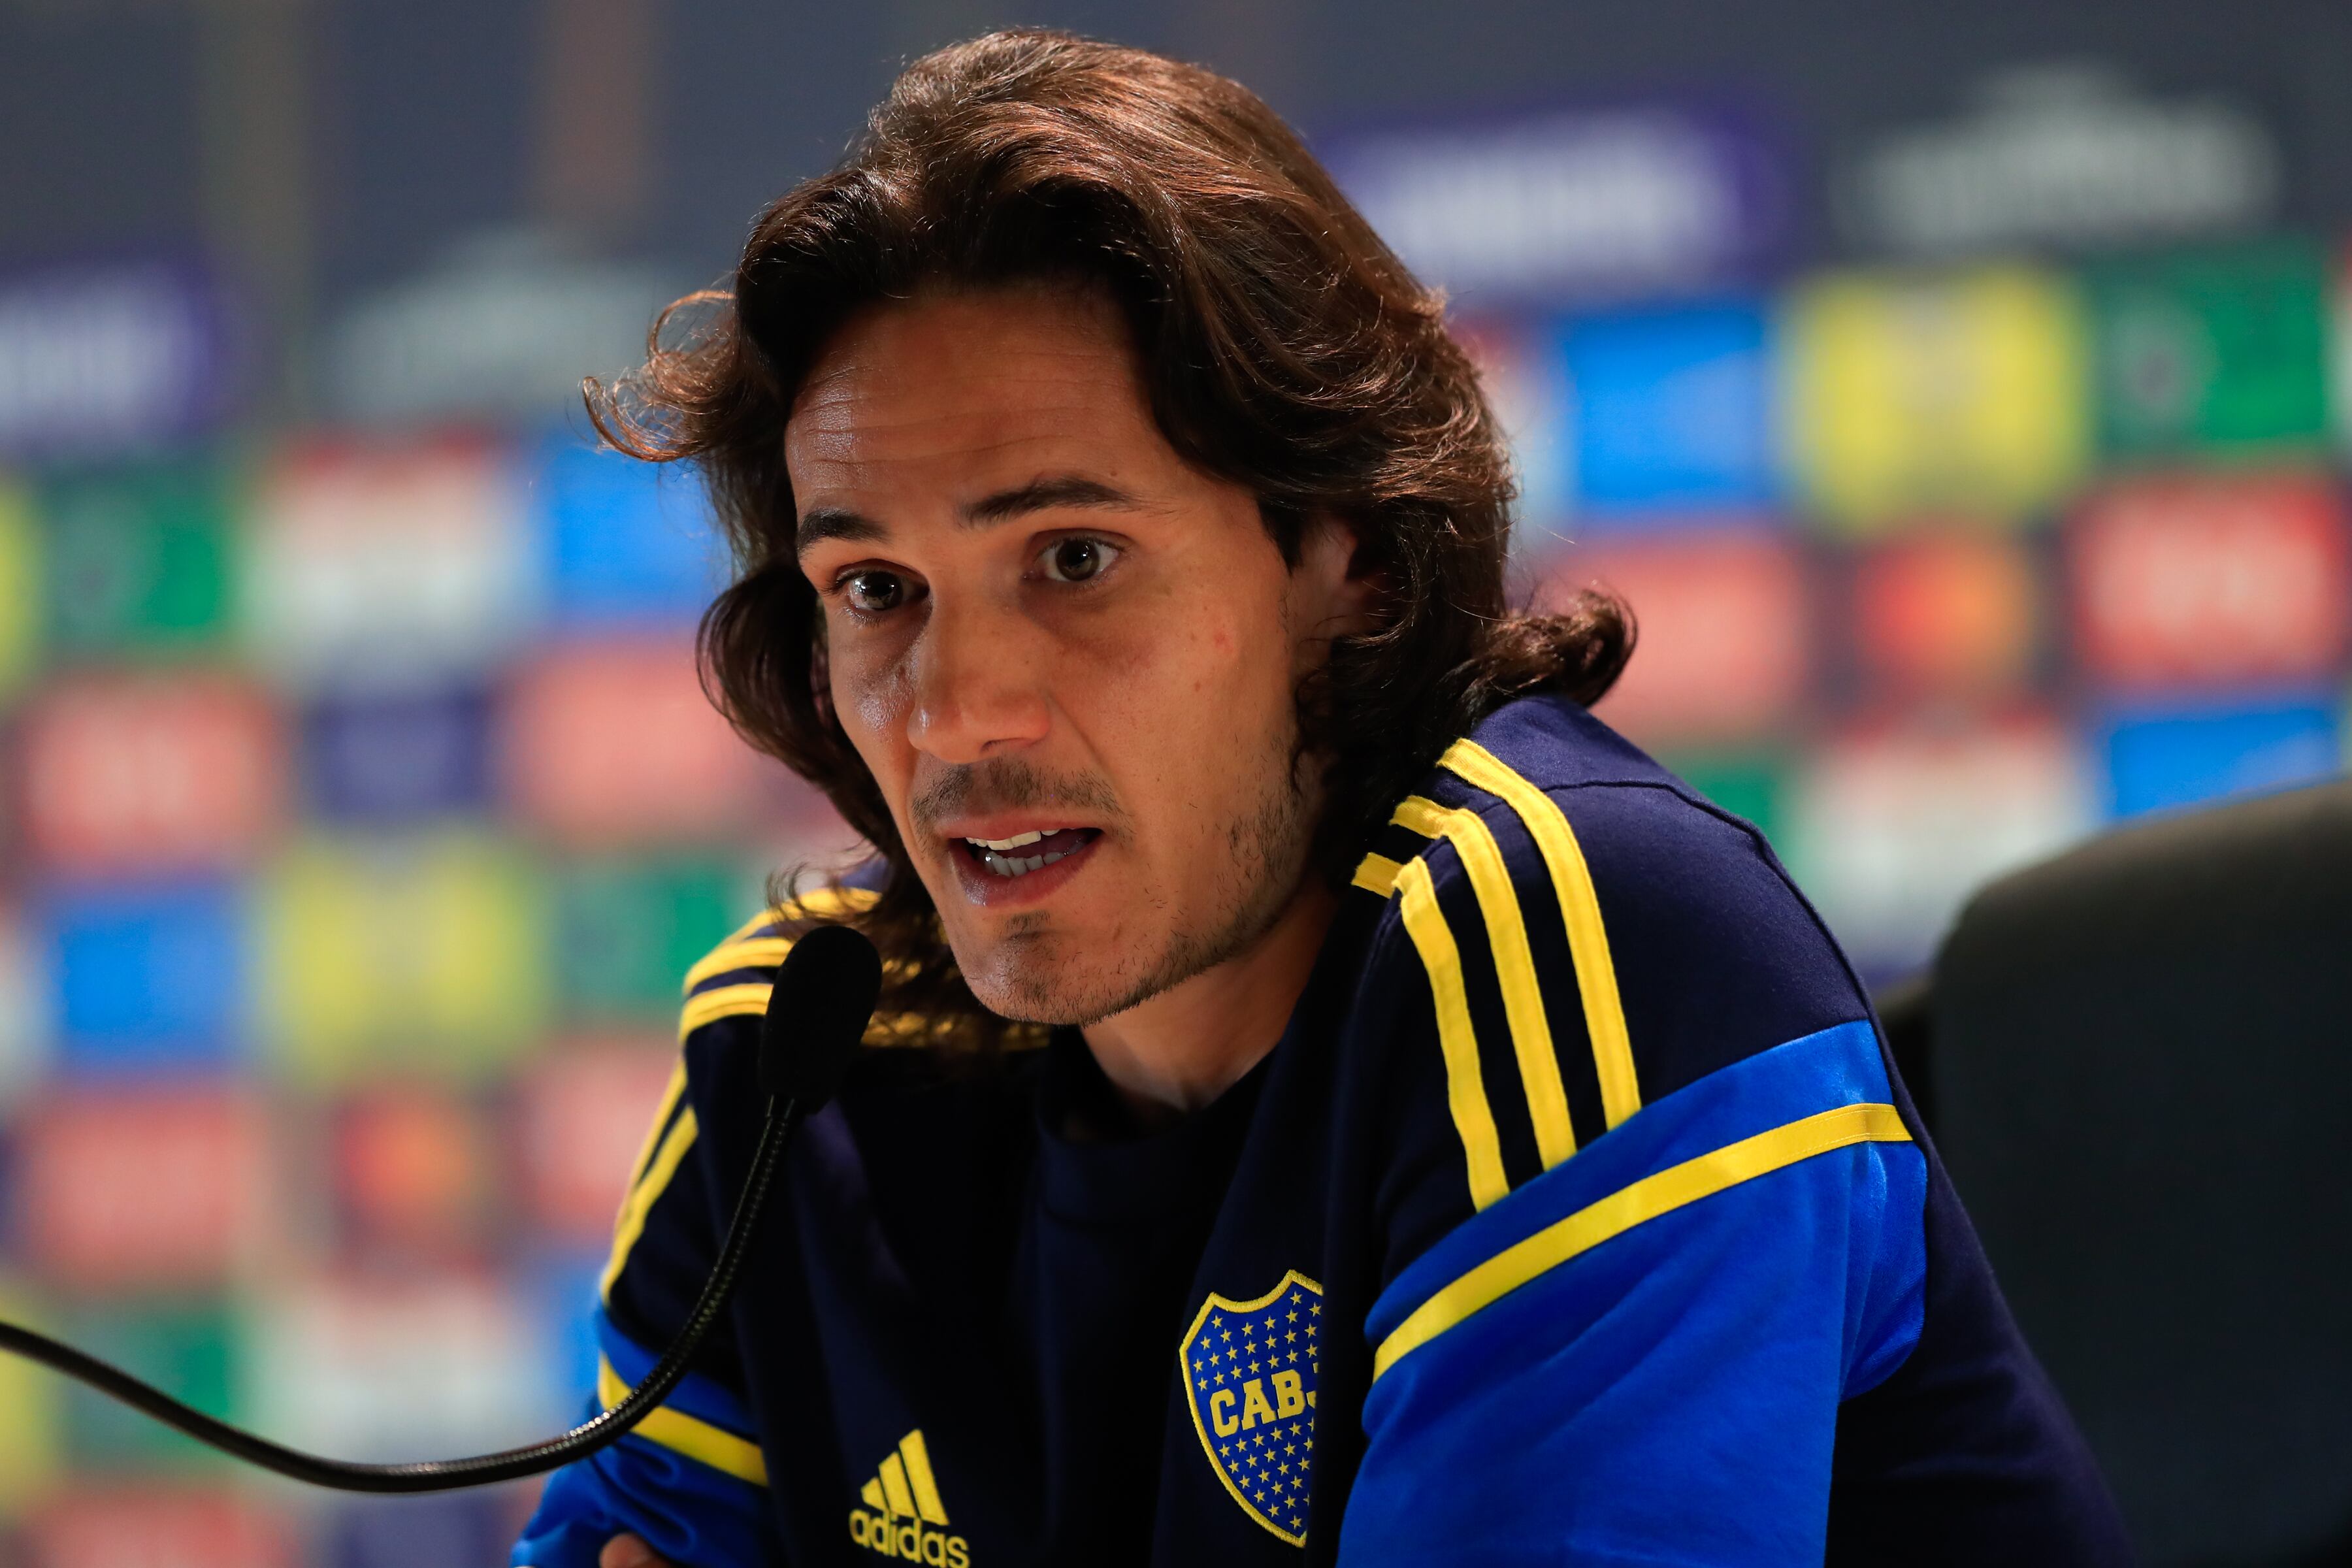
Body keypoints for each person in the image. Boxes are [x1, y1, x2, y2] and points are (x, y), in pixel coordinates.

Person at [513, 30, 2128, 1568]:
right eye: (874, 587)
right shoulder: (806, 1052)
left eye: (1074, 559)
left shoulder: (1580, 940)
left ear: (1344, 558)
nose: (953, 709)